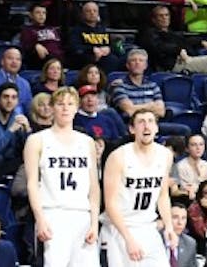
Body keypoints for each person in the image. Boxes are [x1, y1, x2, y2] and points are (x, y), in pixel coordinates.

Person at [24, 86, 99, 266]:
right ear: (52, 108)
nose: (65, 108)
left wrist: (95, 222)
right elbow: (32, 184)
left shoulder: (87, 142)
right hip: (52, 213)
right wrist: (40, 219)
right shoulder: (37, 140)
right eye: (60, 104)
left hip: (82, 214)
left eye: (70, 104)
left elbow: (94, 187)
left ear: (76, 108)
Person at [102, 110, 178, 267]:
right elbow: (110, 204)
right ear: (132, 129)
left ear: (156, 128)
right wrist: (128, 238)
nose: (146, 126)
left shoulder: (165, 155)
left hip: (148, 227)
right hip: (120, 228)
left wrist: (169, 227)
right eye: (141, 122)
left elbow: (162, 195)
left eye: (150, 121)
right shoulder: (118, 157)